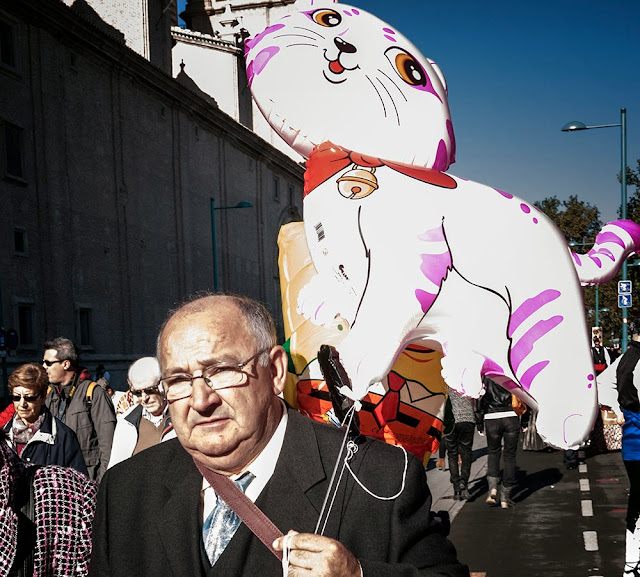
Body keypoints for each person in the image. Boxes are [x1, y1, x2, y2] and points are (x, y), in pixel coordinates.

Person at [90, 294, 469, 576]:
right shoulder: (125, 490)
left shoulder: (378, 477)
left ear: (274, 371)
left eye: (221, 370)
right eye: (178, 380)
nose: (200, 401)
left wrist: (359, 574)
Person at [0, 429, 98, 576]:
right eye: (16, 403)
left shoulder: (72, 491)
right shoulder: (12, 427)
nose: (23, 404)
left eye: (31, 402)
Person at [42, 337, 116, 482]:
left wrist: (101, 488)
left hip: (87, 483)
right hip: (58, 485)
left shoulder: (93, 393)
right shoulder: (48, 395)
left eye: (49, 363)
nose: (44, 366)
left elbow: (108, 446)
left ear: (65, 364)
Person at [2, 363, 87, 475]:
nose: (22, 404)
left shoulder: (64, 437)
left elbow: (79, 482)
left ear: (42, 398)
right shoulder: (3, 435)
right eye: (16, 397)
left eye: (29, 398)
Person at [108, 357, 175, 468]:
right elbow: (115, 469)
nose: (144, 398)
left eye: (150, 390)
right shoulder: (127, 421)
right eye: (138, 393)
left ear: (163, 386)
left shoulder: (181, 416)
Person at [615, 334, 640, 575]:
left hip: (631, 441)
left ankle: (632, 563)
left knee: (637, 498)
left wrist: (619, 410)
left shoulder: (626, 358)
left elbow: (602, 384)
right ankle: (632, 564)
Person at [476, 377, 521, 508]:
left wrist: (479, 423)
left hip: (491, 417)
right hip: (511, 415)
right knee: (510, 456)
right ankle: (505, 497)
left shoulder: (485, 376)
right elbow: (522, 394)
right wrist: (524, 421)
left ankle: (493, 488)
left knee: (493, 452)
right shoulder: (510, 374)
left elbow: (478, 400)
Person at [445, 389, 476, 500]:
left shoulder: (445, 381)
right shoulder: (466, 380)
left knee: (452, 453)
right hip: (467, 418)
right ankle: (464, 480)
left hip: (450, 420)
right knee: (466, 451)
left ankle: (456, 487)